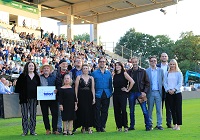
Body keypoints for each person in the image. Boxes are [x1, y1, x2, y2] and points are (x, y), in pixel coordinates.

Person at [15, 62, 40, 136]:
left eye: (32, 66)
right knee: (25, 115)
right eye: (30, 66)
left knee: (33, 115)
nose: (31, 67)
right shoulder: (22, 76)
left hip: (34, 99)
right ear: (27, 67)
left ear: (34, 67)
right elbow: (17, 88)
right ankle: (25, 131)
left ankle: (32, 131)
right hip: (24, 99)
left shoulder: (37, 76)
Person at [127, 56, 152, 131]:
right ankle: (132, 126)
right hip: (131, 93)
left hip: (140, 93)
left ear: (138, 62)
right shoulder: (128, 72)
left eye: (135, 61)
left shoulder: (143, 71)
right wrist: (126, 89)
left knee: (144, 110)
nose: (134, 63)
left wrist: (144, 92)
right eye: (133, 62)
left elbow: (147, 83)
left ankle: (148, 125)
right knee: (131, 111)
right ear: (131, 62)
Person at [91, 56, 113, 132]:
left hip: (106, 93)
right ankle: (98, 126)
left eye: (103, 62)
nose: (102, 63)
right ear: (98, 63)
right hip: (97, 94)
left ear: (105, 63)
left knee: (105, 111)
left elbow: (110, 84)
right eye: (101, 62)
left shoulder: (108, 73)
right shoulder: (94, 73)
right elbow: (92, 85)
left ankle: (102, 126)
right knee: (97, 111)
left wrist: (110, 93)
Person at [113, 62, 134, 132]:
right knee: (116, 111)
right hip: (115, 93)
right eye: (116, 65)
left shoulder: (124, 73)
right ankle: (119, 126)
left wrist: (127, 90)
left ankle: (125, 126)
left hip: (122, 94)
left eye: (119, 65)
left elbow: (132, 82)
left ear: (121, 66)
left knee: (123, 110)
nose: (117, 66)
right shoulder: (114, 75)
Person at [39, 63, 59, 135]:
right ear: (42, 70)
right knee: (45, 114)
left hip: (53, 99)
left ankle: (55, 129)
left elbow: (58, 85)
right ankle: (47, 129)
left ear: (50, 70)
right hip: (43, 99)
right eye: (44, 68)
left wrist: (57, 90)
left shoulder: (54, 77)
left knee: (55, 114)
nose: (46, 69)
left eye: (47, 68)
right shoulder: (39, 78)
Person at [75, 64, 95, 134]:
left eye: (86, 68)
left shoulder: (91, 78)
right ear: (82, 69)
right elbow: (76, 88)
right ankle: (83, 127)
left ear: (88, 69)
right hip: (81, 96)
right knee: (82, 111)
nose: (85, 70)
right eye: (84, 68)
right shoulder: (78, 77)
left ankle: (89, 127)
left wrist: (94, 98)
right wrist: (76, 97)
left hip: (89, 96)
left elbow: (92, 88)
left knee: (89, 111)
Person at [164, 59, 183, 130]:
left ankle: (178, 125)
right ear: (169, 65)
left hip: (177, 93)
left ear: (176, 65)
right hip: (169, 93)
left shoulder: (179, 73)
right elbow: (165, 83)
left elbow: (180, 83)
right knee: (172, 109)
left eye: (173, 64)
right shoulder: (167, 73)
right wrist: (168, 90)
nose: (172, 66)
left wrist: (174, 89)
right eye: (171, 64)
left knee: (178, 109)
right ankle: (175, 124)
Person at [146, 56, 164, 130]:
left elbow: (162, 80)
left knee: (159, 110)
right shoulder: (147, 71)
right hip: (150, 92)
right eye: (152, 61)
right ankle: (150, 124)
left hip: (158, 92)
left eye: (155, 61)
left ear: (156, 62)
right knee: (150, 109)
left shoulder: (160, 71)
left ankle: (159, 124)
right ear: (150, 62)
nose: (153, 62)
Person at [55, 58, 71, 133]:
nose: (65, 65)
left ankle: (67, 128)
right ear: (60, 65)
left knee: (68, 112)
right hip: (59, 96)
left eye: (66, 64)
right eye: (63, 64)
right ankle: (59, 127)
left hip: (68, 95)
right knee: (59, 113)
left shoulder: (69, 73)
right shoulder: (55, 73)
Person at [157, 53, 172, 128]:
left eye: (165, 56)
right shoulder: (157, 66)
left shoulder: (171, 66)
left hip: (168, 89)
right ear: (160, 58)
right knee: (159, 107)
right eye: (162, 56)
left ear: (167, 58)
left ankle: (169, 123)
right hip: (160, 89)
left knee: (169, 107)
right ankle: (159, 124)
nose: (164, 57)